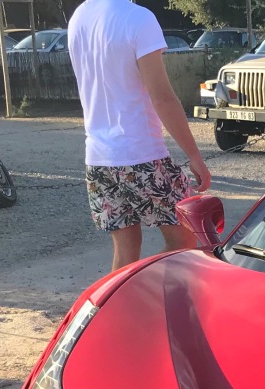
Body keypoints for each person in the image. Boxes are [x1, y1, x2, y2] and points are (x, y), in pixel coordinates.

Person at [67, 0, 211, 272]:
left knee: (126, 250)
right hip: (142, 154)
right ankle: (150, 298)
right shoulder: (139, 18)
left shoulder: (79, 17)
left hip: (99, 157)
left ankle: (121, 310)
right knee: (187, 241)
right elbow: (163, 97)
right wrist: (194, 156)